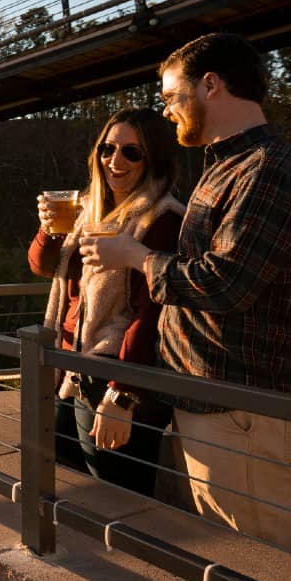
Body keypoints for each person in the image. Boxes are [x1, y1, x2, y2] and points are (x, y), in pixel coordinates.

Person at [78, 32, 291, 548]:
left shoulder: (270, 171)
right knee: (234, 558)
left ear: (210, 85)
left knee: (265, 559)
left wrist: (139, 258)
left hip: (247, 411)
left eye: (172, 96)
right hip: (215, 405)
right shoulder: (227, 167)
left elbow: (227, 285)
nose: (167, 111)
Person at [28, 107, 182, 496]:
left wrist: (122, 393)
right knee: (68, 491)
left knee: (118, 500)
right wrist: (49, 229)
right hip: (68, 368)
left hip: (113, 377)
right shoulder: (87, 210)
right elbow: (44, 266)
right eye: (107, 149)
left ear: (154, 159)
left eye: (132, 152)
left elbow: (153, 315)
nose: (115, 161)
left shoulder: (164, 218)